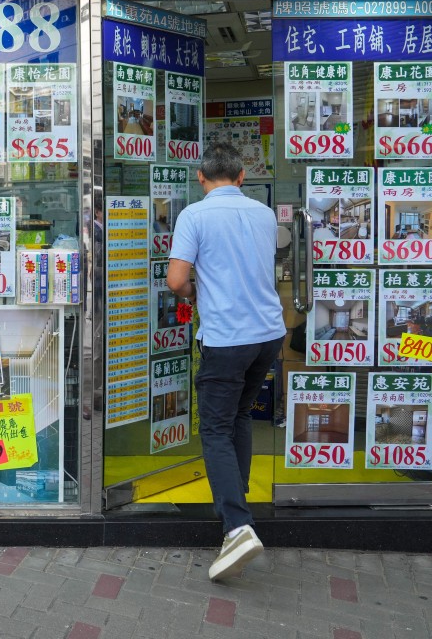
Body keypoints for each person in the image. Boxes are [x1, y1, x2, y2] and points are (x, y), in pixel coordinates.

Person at [166, 142, 285, 582]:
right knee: (239, 417)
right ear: (240, 177)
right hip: (268, 335)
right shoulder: (263, 213)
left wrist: (196, 292)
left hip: (227, 337)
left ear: (201, 178)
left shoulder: (195, 215)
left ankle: (237, 526)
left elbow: (177, 279)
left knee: (215, 428)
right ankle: (236, 509)